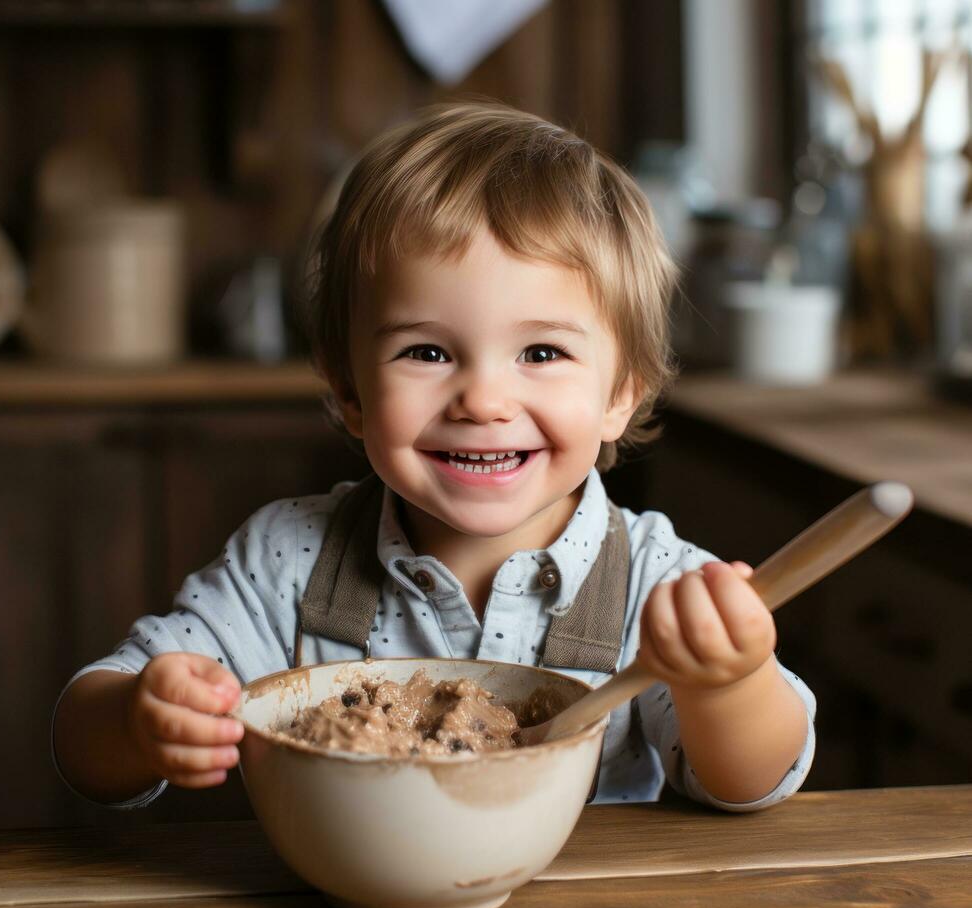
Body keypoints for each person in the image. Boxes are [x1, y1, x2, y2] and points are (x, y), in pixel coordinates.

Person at [53, 101, 814, 811]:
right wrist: (139, 719)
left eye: (540, 352)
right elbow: (82, 741)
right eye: (427, 351)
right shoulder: (287, 563)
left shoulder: (662, 590)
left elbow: (751, 784)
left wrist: (728, 683)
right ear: (350, 390)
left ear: (621, 393)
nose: (482, 400)